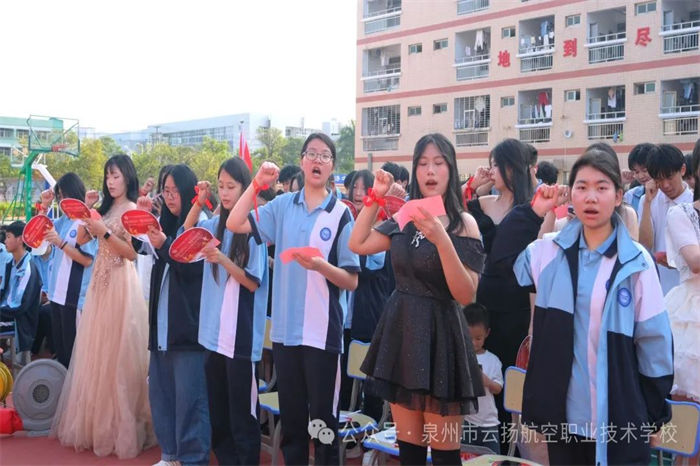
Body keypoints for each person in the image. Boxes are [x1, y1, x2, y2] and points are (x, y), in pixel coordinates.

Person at [513, 149, 673, 465]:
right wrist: (535, 213)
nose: (591, 197)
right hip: (564, 419)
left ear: (618, 196)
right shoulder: (549, 252)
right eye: (582, 187)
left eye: (601, 187)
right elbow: (503, 270)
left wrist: (653, 414)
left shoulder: (636, 261)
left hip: (620, 417)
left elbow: (655, 344)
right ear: (570, 194)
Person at [349, 133, 485, 465]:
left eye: (438, 163)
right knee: (409, 453)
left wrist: (442, 239)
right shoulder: (407, 214)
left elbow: (466, 294)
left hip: (442, 337)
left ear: (451, 169)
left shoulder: (464, 223)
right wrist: (375, 197)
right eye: (423, 163)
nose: (430, 171)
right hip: (402, 332)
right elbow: (358, 243)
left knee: (445, 456)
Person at [227, 133, 359, 466]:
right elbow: (234, 222)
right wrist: (256, 184)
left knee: (323, 427)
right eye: (311, 153)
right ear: (301, 161)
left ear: (332, 166)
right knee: (294, 428)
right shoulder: (283, 206)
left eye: (325, 155)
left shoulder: (340, 214)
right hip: (286, 335)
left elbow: (351, 280)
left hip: (322, 336)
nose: (317, 160)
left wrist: (320, 266)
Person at [51, 154, 154, 459]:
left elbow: (132, 254)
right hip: (98, 285)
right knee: (96, 355)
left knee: (118, 357)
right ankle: (96, 424)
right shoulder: (105, 208)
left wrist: (104, 232)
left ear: (128, 178)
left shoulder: (131, 210)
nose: (111, 182)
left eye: (116, 176)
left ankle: (121, 427)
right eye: (108, 176)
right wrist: (88, 214)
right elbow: (83, 239)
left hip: (120, 285)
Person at [184, 158, 269, 466]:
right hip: (212, 335)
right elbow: (186, 234)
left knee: (242, 417)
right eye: (221, 186)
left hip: (240, 337)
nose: (225, 192)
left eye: (231, 187)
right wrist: (199, 201)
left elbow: (252, 283)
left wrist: (222, 259)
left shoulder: (254, 228)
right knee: (218, 415)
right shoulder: (214, 225)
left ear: (245, 189)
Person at [136, 164, 210, 466]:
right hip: (161, 324)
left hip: (188, 327)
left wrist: (165, 244)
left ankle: (193, 458)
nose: (169, 197)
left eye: (175, 191)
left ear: (189, 191)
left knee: (190, 399)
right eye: (165, 191)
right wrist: (141, 219)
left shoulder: (202, 225)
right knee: (161, 394)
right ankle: (170, 455)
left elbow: (191, 268)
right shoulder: (163, 224)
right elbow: (139, 248)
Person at [35, 173, 97, 368]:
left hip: (74, 297)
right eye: (59, 196)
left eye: (65, 195)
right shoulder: (63, 220)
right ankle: (64, 386)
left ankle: (77, 388)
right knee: (61, 353)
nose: (62, 201)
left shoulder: (85, 221)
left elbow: (87, 260)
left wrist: (60, 243)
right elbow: (38, 232)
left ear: (75, 192)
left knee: (74, 355)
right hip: (57, 295)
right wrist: (44, 206)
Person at [639, 144, 694, 294]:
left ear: (682, 170)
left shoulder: (694, 202)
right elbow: (644, 245)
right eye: (659, 179)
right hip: (657, 287)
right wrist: (647, 203)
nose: (665, 185)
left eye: (669, 177)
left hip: (688, 290)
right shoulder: (648, 200)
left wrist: (678, 262)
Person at [462, 303, 502, 455]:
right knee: (465, 458)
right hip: (466, 421)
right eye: (469, 338)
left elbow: (498, 388)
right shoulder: (461, 358)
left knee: (492, 459)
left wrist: (486, 381)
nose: (473, 343)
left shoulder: (493, 360)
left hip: (489, 423)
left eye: (478, 338)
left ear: (487, 333)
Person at [0, 221, 42, 366]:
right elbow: (3, 292)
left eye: (8, 237)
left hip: (20, 321)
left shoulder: (28, 268)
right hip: (7, 313)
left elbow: (19, 306)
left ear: (20, 240)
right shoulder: (10, 264)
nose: (5, 241)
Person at [623, 143, 655, 215]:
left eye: (645, 170)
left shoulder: (667, 193)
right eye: (636, 172)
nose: (641, 176)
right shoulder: (630, 196)